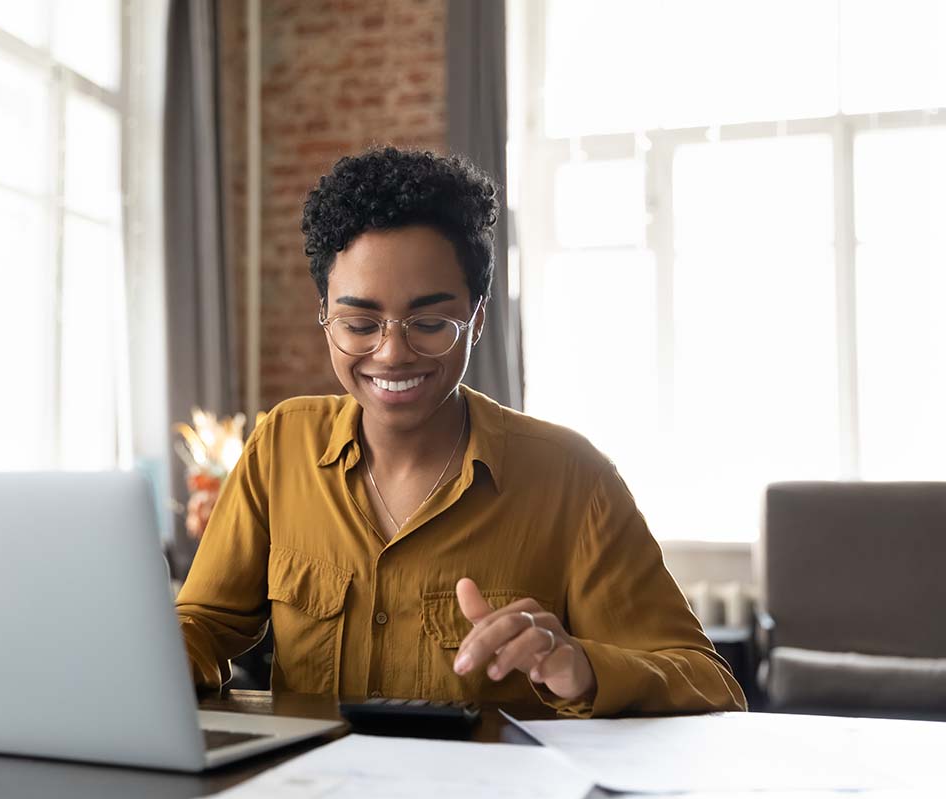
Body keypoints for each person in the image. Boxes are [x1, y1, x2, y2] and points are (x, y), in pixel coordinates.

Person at [175, 147, 746, 716]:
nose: (392, 353)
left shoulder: (573, 479)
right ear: (324, 314)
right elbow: (203, 623)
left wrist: (582, 666)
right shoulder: (282, 446)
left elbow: (710, 684)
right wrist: (154, 652)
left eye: (429, 323)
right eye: (359, 323)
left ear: (477, 317)